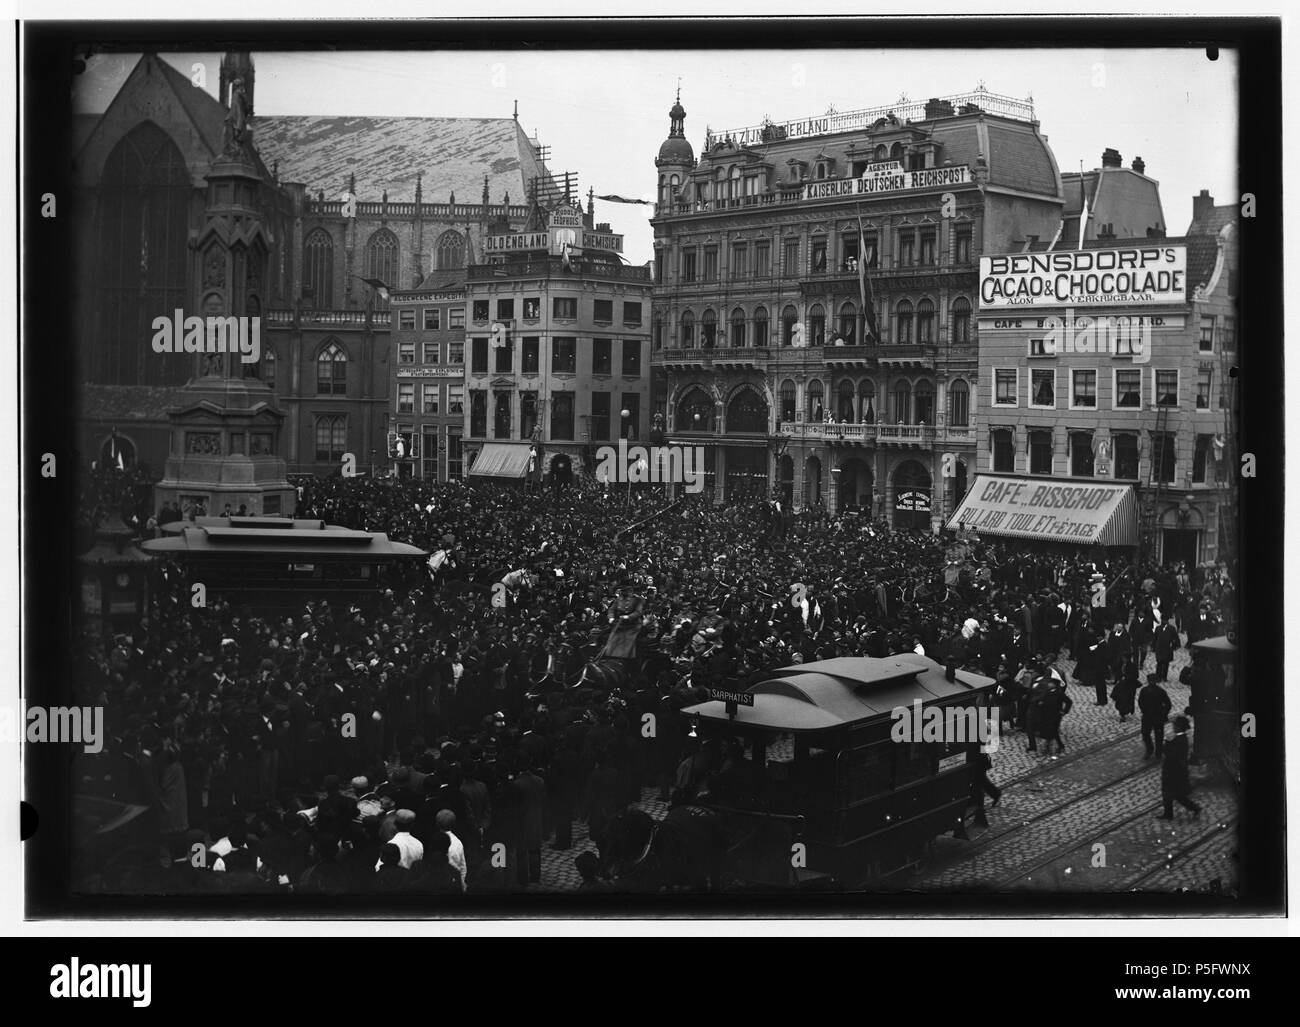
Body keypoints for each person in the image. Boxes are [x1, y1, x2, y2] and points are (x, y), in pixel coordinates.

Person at [1158, 716, 1202, 820]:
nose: (1173, 727)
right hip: (1173, 770)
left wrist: (1166, 744)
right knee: (1171, 793)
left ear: (1178, 727)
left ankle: (1194, 808)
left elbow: (1172, 754)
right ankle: (1169, 813)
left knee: (1173, 793)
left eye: (1174, 725)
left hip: (1174, 771)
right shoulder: (1180, 738)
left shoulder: (1180, 740)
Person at [1137, 673, 1172, 760]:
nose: (1152, 682)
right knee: (1145, 733)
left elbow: (1168, 704)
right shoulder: (1144, 691)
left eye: (1153, 680)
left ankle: (1158, 752)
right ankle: (1149, 749)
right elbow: (1140, 701)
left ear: (1156, 681)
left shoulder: (1160, 691)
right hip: (1147, 716)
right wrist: (1144, 710)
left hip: (1158, 716)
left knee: (1159, 736)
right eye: (1150, 681)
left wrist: (1164, 714)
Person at [1152, 618, 1181, 682]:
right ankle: (1158, 677)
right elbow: (1155, 638)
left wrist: (1176, 645)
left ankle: (1164, 677)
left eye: (1165, 620)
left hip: (1167, 648)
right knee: (1159, 663)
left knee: (1166, 663)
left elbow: (1175, 637)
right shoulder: (1158, 628)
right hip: (1159, 648)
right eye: (1163, 620)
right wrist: (1153, 646)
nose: (1164, 621)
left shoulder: (1171, 628)